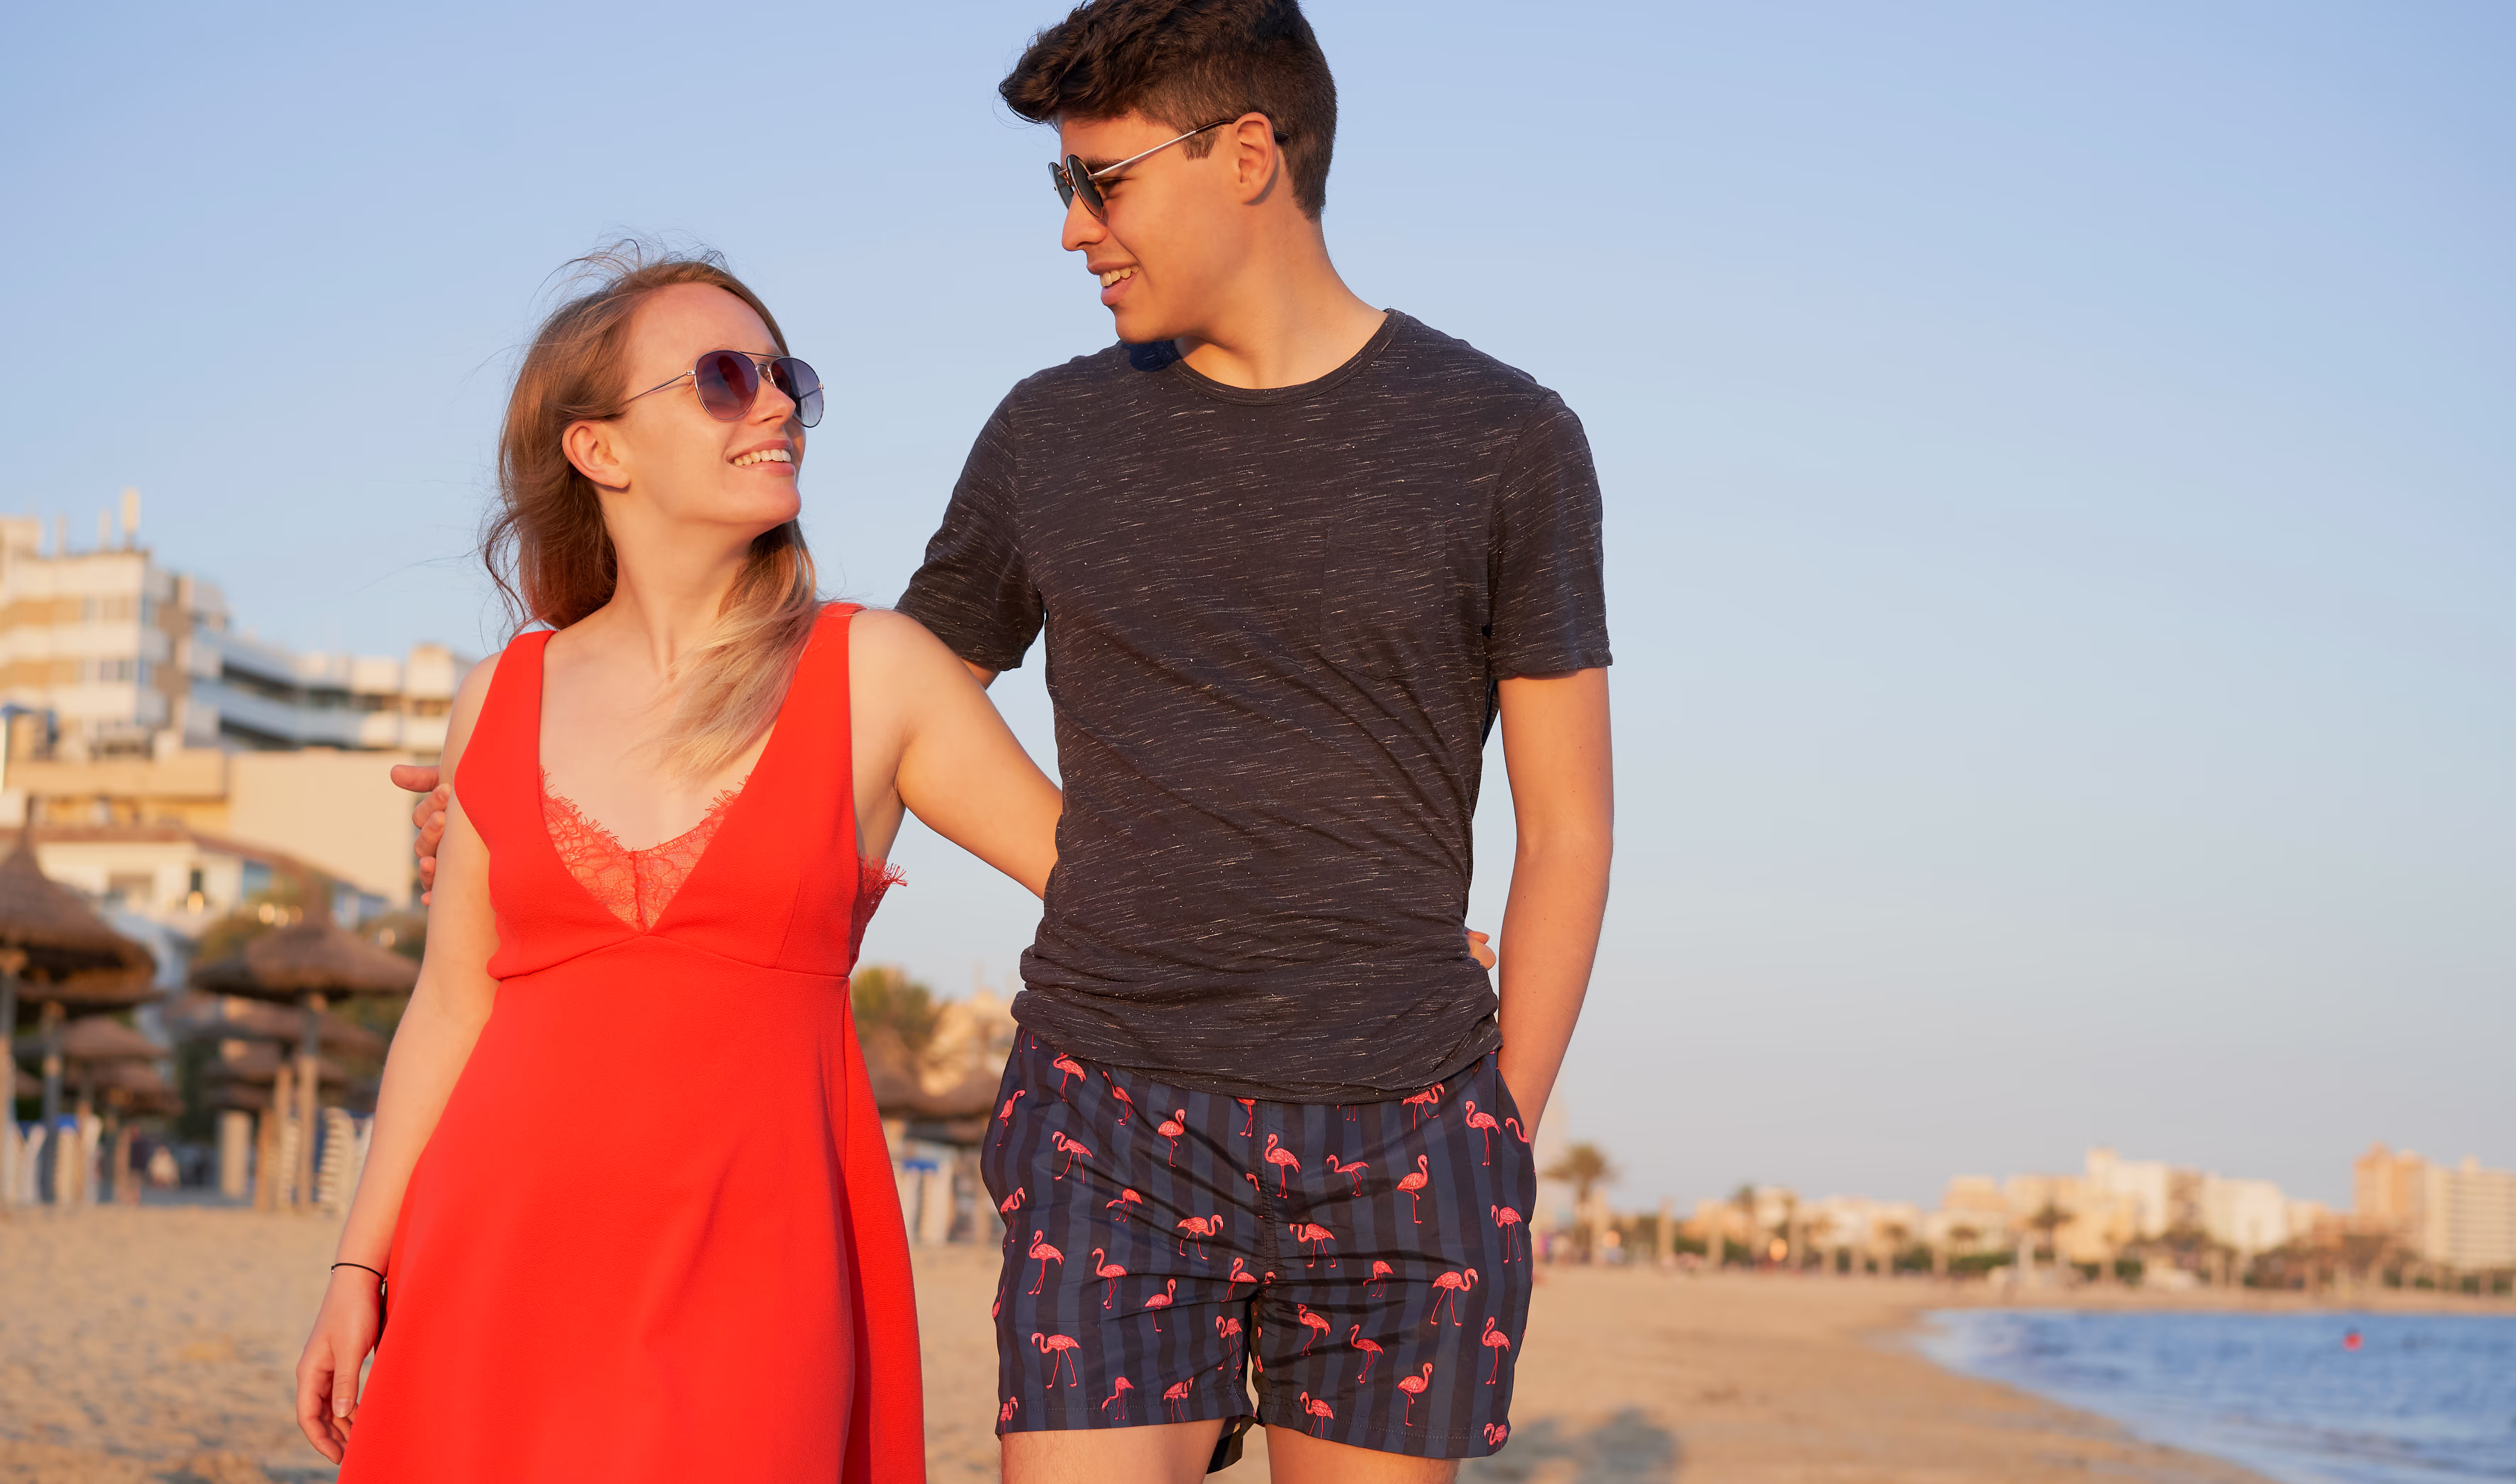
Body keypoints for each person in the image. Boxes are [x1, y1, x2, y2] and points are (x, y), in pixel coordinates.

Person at [401, 1, 1608, 1475]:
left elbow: (1568, 826)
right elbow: (822, 708)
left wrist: (1503, 1124)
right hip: (1110, 1104)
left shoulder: (1504, 438)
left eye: (1100, 184)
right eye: (1062, 188)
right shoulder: (1049, 436)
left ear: (1246, 157)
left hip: (1409, 1125)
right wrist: (530, 797)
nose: (1074, 231)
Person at [296, 247, 1062, 1484]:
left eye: (784, 378)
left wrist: (1375, 934)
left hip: (761, 1262)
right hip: (491, 1259)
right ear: (599, 449)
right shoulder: (499, 695)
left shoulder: (878, 673)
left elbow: (1109, 882)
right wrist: (356, 1269)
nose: (772, 404)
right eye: (721, 377)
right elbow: (449, 1006)